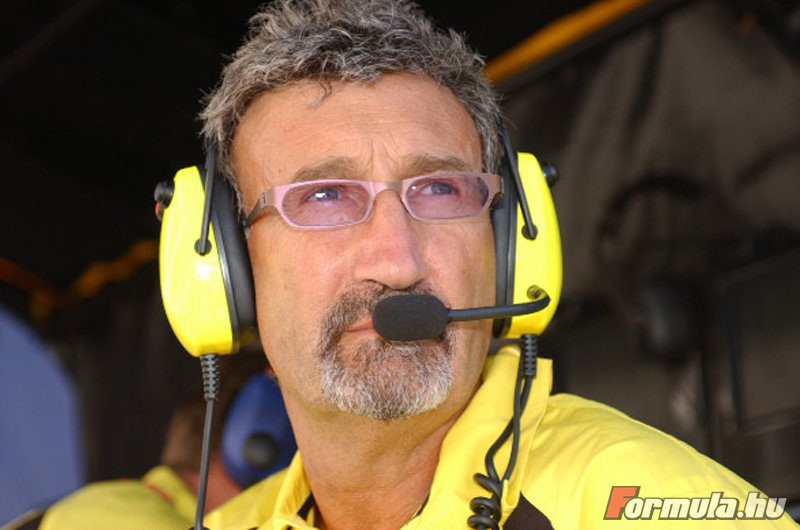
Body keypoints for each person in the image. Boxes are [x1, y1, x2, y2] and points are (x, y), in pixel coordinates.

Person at [34, 0, 799, 529]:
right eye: (324, 196)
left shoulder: (643, 504)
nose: (398, 261)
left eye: (439, 190)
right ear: (224, 269)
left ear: (509, 244)